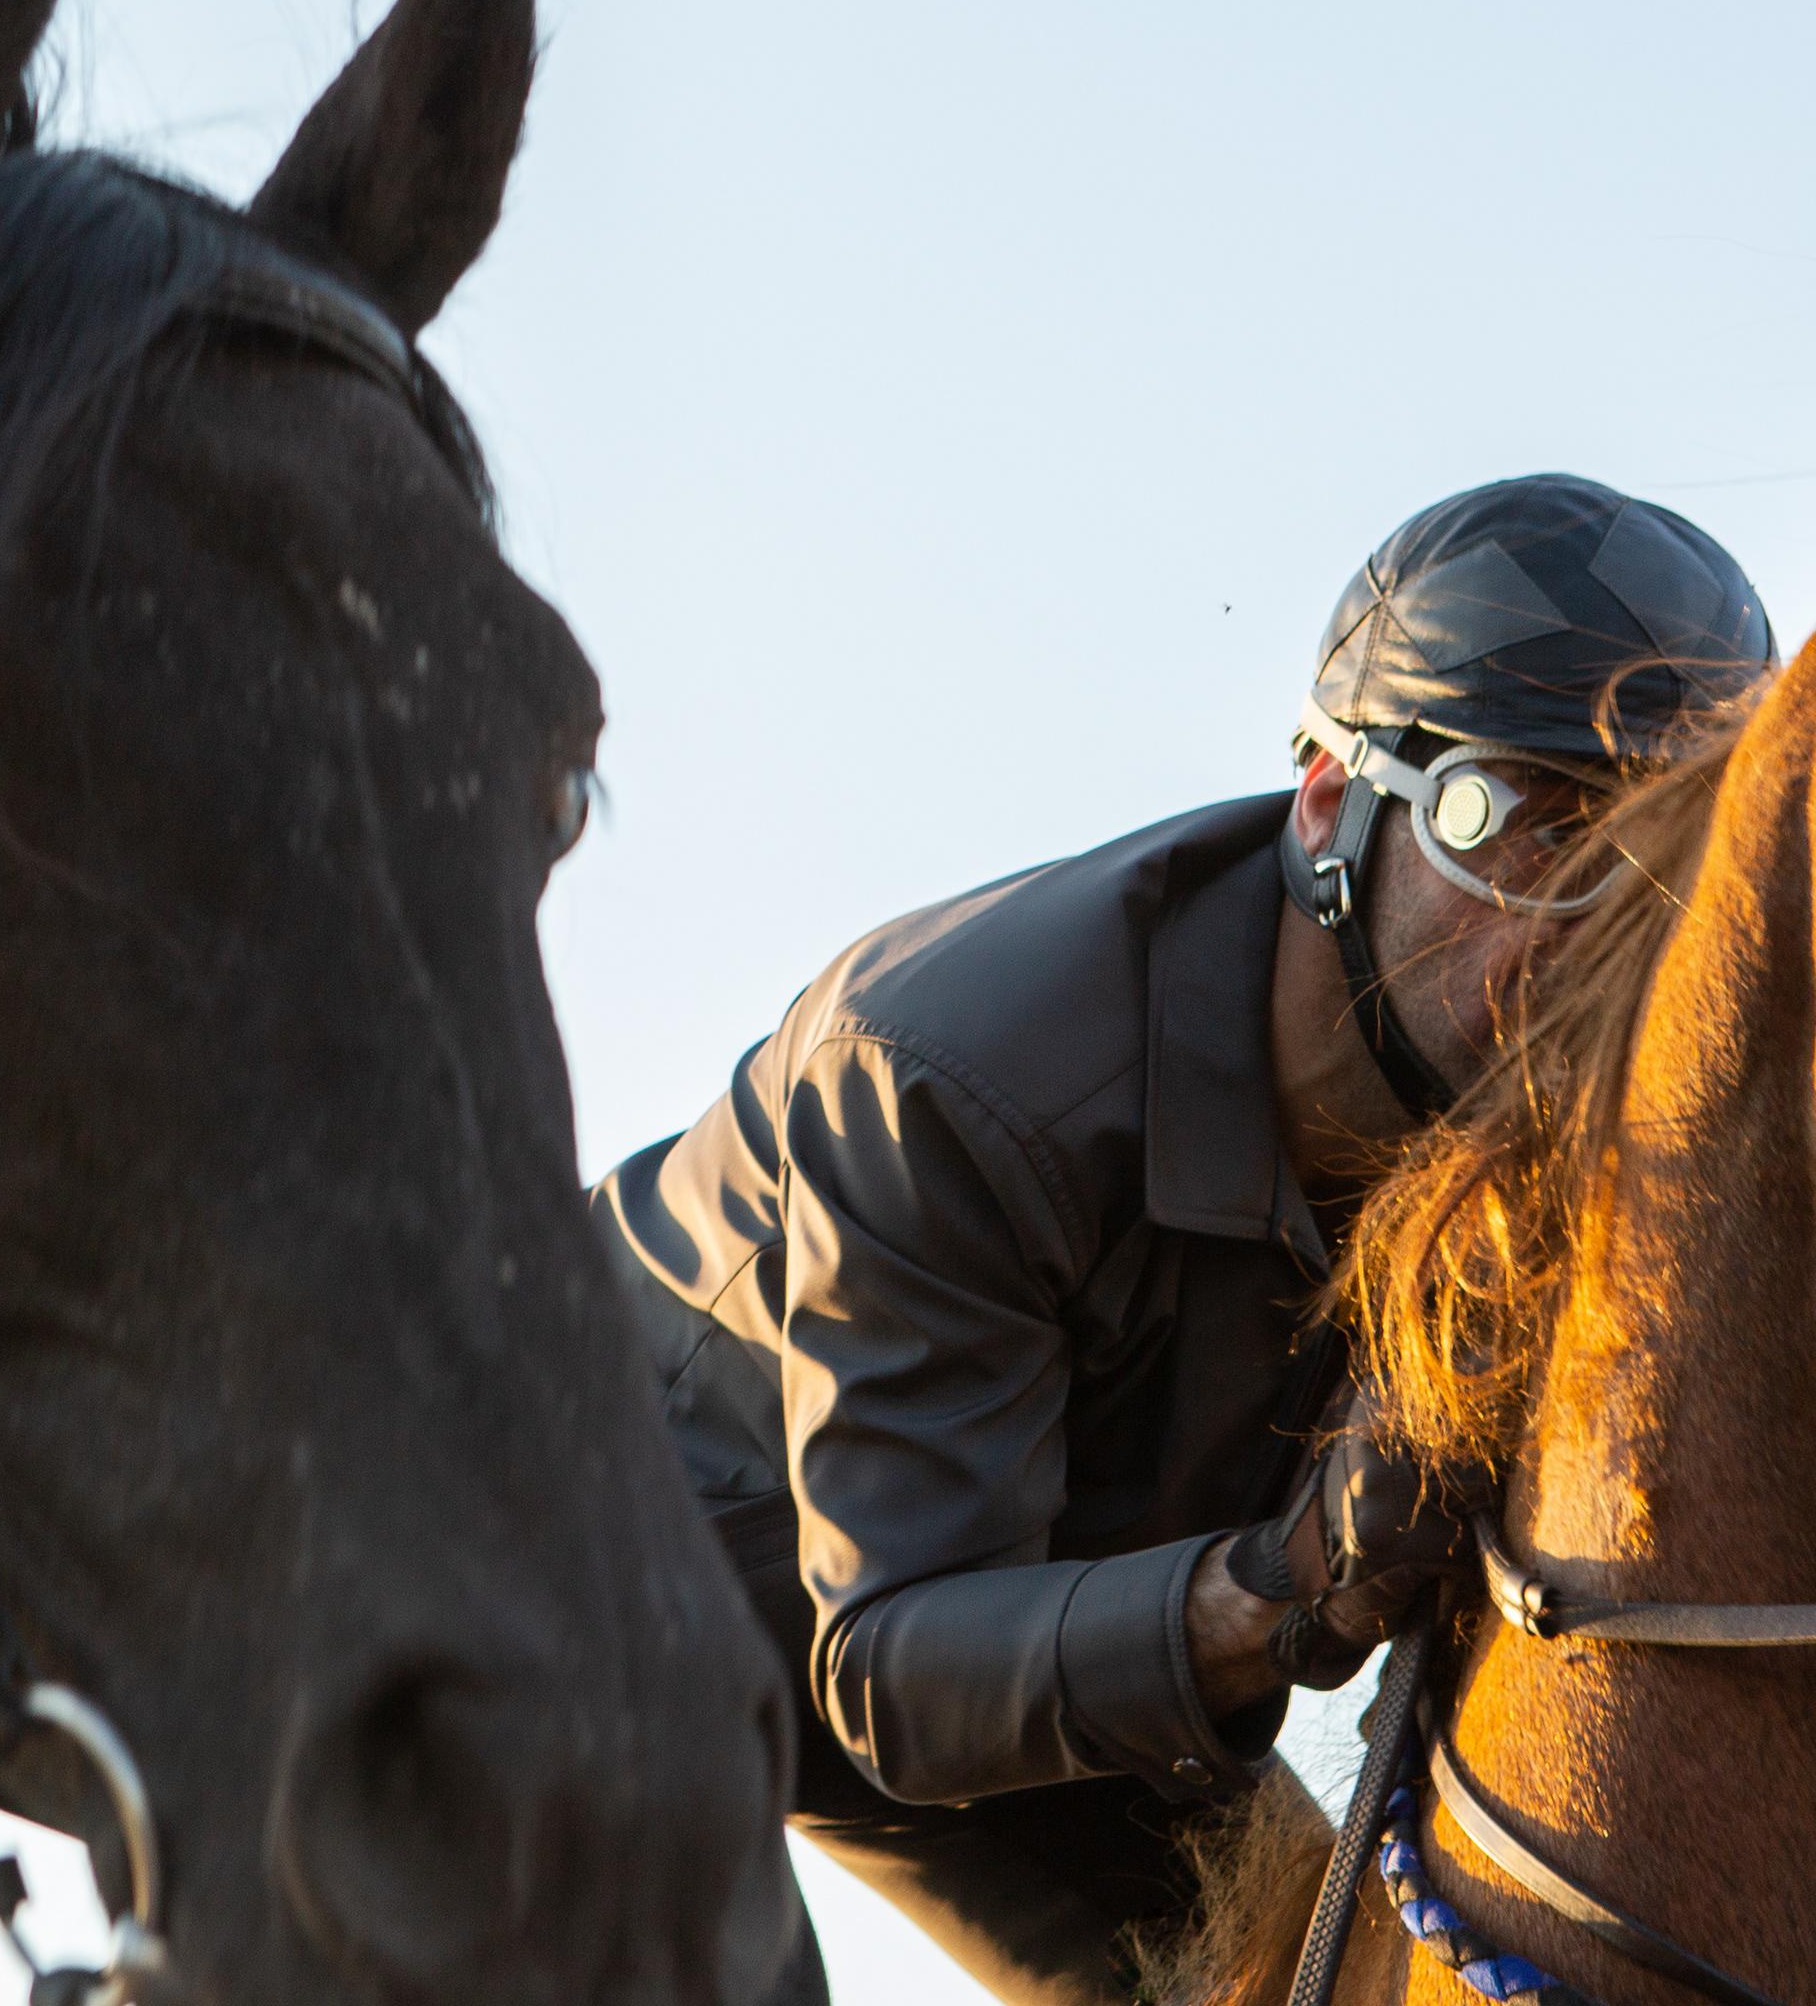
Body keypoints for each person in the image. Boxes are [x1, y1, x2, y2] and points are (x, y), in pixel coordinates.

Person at [600, 475, 1773, 2006]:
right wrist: (1289, 1583)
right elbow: (888, 1673)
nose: (1581, 941)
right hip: (612, 1577)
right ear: (1330, 801)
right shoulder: (940, 1077)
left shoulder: (1553, 1113)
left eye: (1655, 874)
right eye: (1520, 827)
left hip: (1075, 1639)